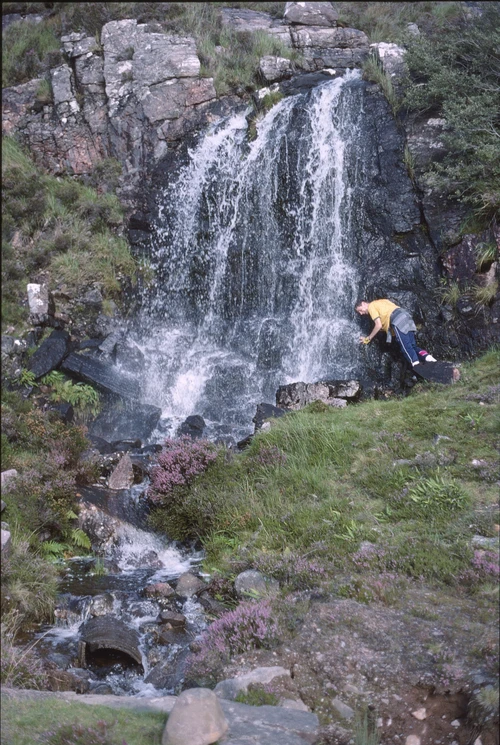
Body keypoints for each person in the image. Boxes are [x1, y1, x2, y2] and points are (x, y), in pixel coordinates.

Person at [355, 298, 437, 367]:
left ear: (364, 304)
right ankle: (429, 358)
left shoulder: (371, 306)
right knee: (413, 346)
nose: (361, 313)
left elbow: (378, 325)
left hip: (397, 319)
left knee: (405, 347)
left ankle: (416, 365)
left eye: (360, 310)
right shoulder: (381, 301)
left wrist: (368, 338)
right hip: (406, 316)